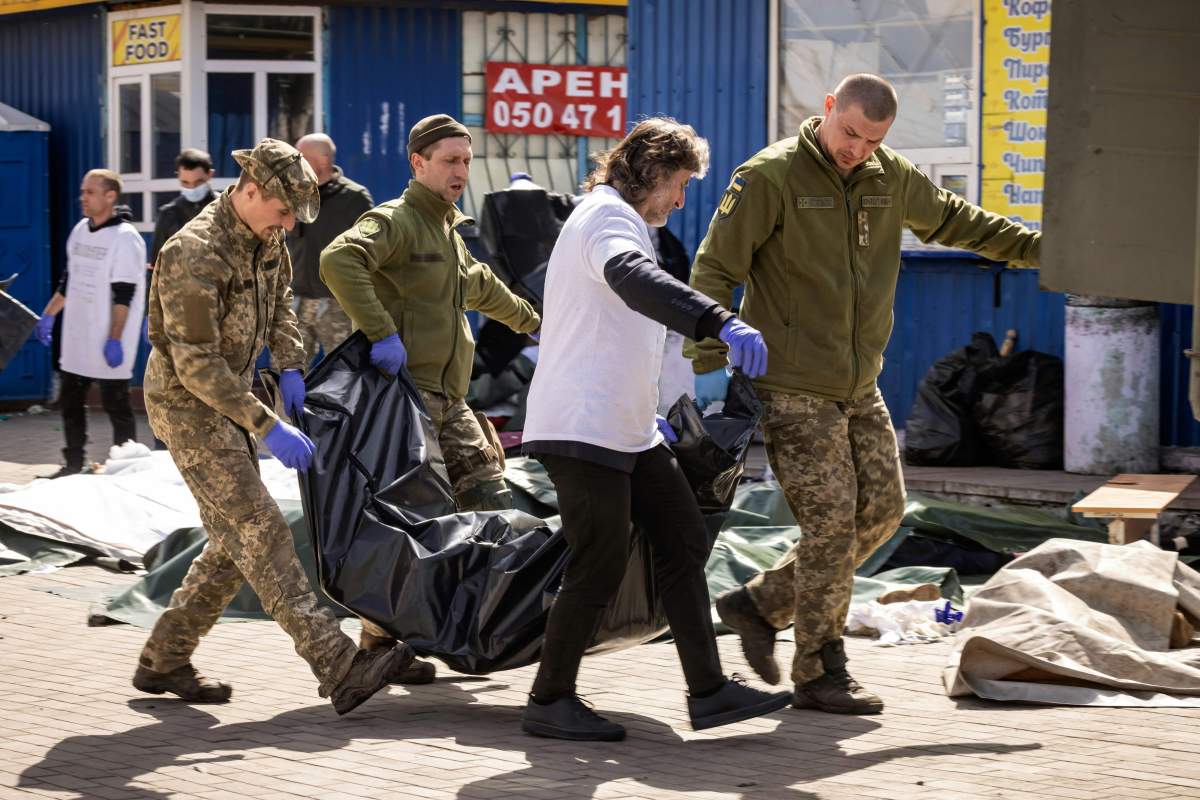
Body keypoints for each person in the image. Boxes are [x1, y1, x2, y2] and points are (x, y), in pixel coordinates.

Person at [687, 73, 1042, 715]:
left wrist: (1042, 249)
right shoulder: (770, 176)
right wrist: (709, 361)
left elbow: (958, 220)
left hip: (857, 384)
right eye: (849, 133)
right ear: (828, 109)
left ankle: (760, 604)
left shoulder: (890, 176)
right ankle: (821, 671)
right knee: (829, 525)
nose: (857, 149)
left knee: (882, 512)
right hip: (791, 383)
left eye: (872, 140)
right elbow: (714, 267)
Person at [519, 117, 793, 742]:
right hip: (582, 427)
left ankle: (710, 692)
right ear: (656, 175)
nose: (681, 199)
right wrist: (719, 321)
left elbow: (638, 333)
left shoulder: (627, 223)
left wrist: (664, 413)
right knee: (600, 559)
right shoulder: (605, 220)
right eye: (681, 184)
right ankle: (549, 698)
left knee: (682, 536)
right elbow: (634, 283)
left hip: (627, 429)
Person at [132, 138, 416, 716]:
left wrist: (289, 367)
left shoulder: (269, 237)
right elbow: (195, 365)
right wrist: (268, 426)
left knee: (234, 543)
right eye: (283, 211)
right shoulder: (195, 251)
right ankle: (337, 665)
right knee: (260, 527)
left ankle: (163, 659)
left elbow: (281, 305)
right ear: (251, 190)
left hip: (232, 397)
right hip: (188, 405)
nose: (287, 224)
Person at [321, 113, 541, 680]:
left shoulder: (449, 230)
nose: (460, 171)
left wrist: (538, 326)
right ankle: (376, 647)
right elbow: (338, 260)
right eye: (449, 160)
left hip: (453, 400)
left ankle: (481, 627)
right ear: (418, 163)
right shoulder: (396, 221)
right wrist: (380, 332)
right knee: (421, 520)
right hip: (406, 401)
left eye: (466, 161)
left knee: (492, 502)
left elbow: (483, 287)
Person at [33, 169, 145, 478]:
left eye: (90, 192)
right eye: (83, 191)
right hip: (77, 336)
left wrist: (114, 338)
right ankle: (73, 464)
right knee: (71, 402)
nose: (82, 197)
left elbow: (124, 294)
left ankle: (127, 468)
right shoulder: (80, 230)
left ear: (110, 196)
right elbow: (68, 282)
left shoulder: (125, 239)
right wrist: (50, 314)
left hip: (108, 335)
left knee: (116, 404)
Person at [287, 133, 374, 363]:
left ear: (323, 161)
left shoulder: (354, 198)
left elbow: (372, 251)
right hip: (297, 302)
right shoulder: (294, 196)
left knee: (344, 373)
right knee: (286, 373)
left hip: (338, 305)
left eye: (300, 157)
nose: (295, 163)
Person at [150, 148, 216, 265]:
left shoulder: (227, 209)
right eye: (185, 183)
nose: (192, 188)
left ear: (209, 175)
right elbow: (156, 266)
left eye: (198, 182)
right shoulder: (168, 214)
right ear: (178, 177)